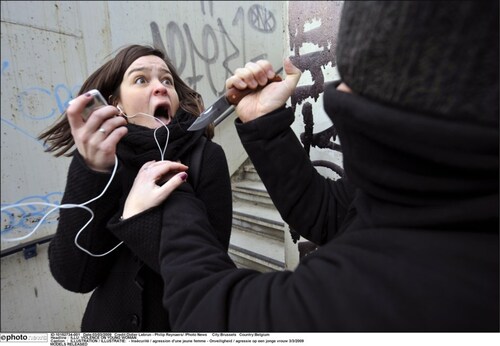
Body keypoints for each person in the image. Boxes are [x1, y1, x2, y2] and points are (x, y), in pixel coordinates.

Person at [154, 1, 498, 331]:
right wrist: (265, 125)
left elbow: (212, 315)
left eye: (353, 74)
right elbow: (330, 214)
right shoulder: (429, 188)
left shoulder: (388, 289)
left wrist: (172, 188)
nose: (338, 88)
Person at [38, 44, 233, 331]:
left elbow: (207, 276)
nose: (160, 88)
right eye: (141, 79)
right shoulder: (102, 160)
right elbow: (74, 277)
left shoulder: (206, 157)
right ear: (116, 104)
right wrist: (92, 170)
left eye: (167, 80)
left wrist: (138, 216)